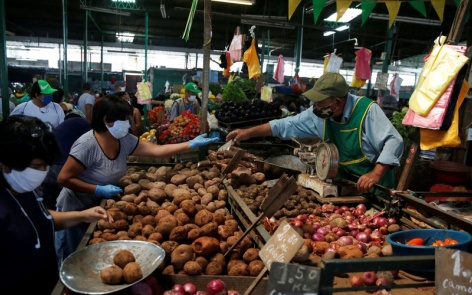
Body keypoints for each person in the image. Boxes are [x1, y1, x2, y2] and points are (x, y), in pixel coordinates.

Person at [56, 95, 219, 265]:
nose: (129, 123)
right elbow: (64, 178)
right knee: (74, 254)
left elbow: (157, 151)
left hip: (102, 206)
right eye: (125, 119)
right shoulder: (87, 145)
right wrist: (97, 189)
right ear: (107, 121)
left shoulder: (124, 140)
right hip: (76, 206)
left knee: (95, 256)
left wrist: (190, 144)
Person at [0, 115, 110, 295]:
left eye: (45, 166)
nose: (43, 172)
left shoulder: (24, 189)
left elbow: (43, 220)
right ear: (6, 163)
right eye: (37, 166)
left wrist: (82, 215)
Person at [226, 73, 404, 193]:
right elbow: (285, 125)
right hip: (346, 186)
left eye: (320, 102)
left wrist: (375, 174)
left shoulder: (367, 111)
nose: (315, 106)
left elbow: (394, 141)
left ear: (337, 102)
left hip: (376, 189)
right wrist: (248, 132)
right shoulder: (318, 114)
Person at [41, 110, 91, 209]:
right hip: (61, 165)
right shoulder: (83, 122)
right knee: (66, 202)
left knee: (50, 206)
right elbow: (92, 145)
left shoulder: (62, 127)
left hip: (46, 166)